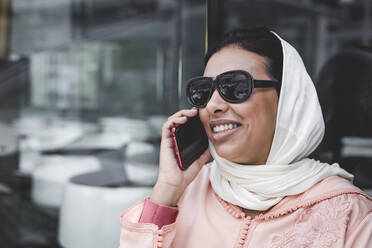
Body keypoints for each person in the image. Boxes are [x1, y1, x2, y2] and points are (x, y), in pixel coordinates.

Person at [119, 27, 372, 248]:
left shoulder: (351, 215)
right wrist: (167, 191)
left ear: (288, 100)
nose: (213, 105)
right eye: (203, 91)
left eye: (235, 87)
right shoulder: (187, 191)